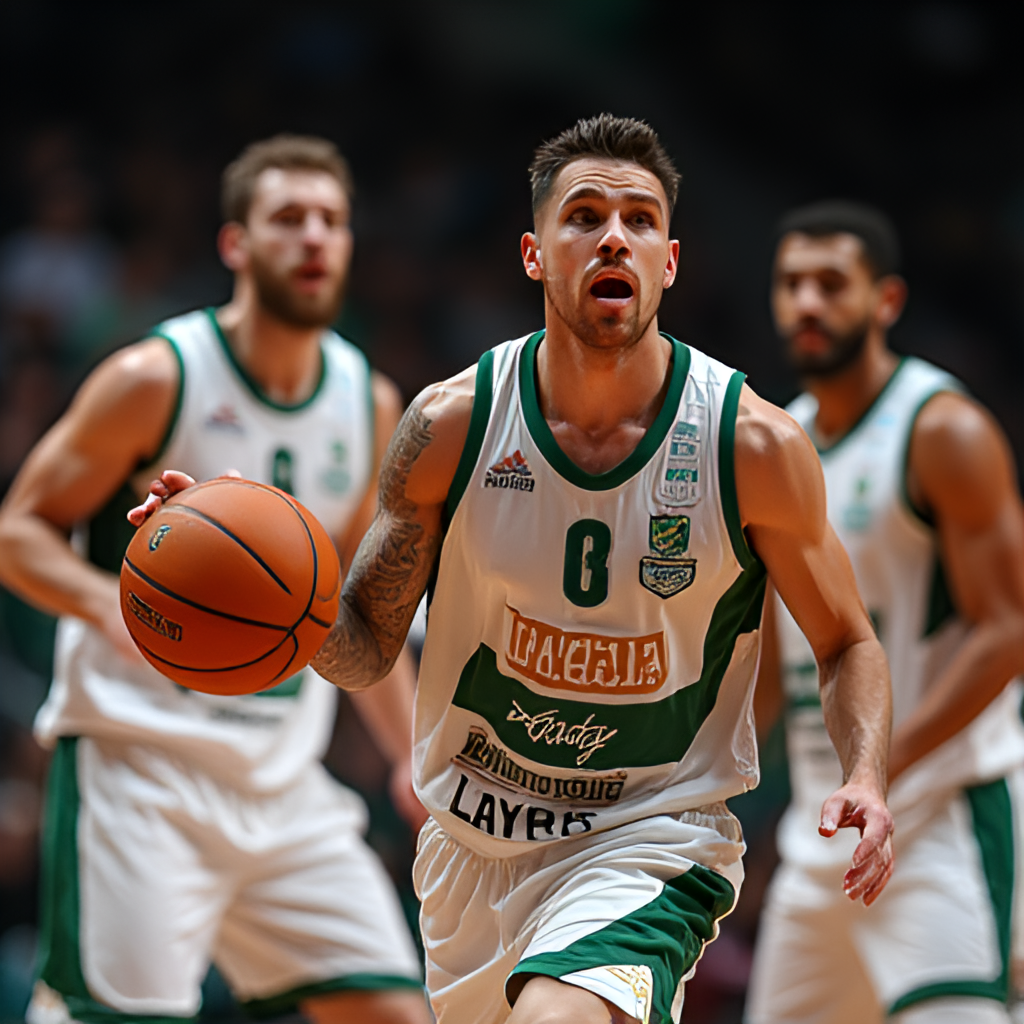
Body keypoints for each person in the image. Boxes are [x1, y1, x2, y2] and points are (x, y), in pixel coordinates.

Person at [139, 116, 896, 1024]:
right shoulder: (449, 427)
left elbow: (849, 639)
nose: (614, 234)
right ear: (535, 255)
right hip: (472, 844)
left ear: (670, 260)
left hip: (650, 833)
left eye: (640, 219)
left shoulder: (756, 446)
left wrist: (864, 774)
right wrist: (268, 598)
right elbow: (365, 649)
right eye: (584, 216)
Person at [0, 135, 430, 1024]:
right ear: (236, 244)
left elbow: (353, 616)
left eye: (332, 222)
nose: (313, 238)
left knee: (395, 1013)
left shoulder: (370, 400)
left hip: (284, 782)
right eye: (288, 219)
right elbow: (16, 530)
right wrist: (106, 602)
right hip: (142, 766)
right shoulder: (155, 377)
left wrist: (410, 759)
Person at [745, 201, 1024, 1024]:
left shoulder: (945, 430)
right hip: (817, 840)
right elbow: (766, 656)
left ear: (887, 301)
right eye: (791, 284)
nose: (807, 303)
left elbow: (1008, 626)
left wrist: (878, 768)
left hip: (938, 817)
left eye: (832, 284)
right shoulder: (777, 444)